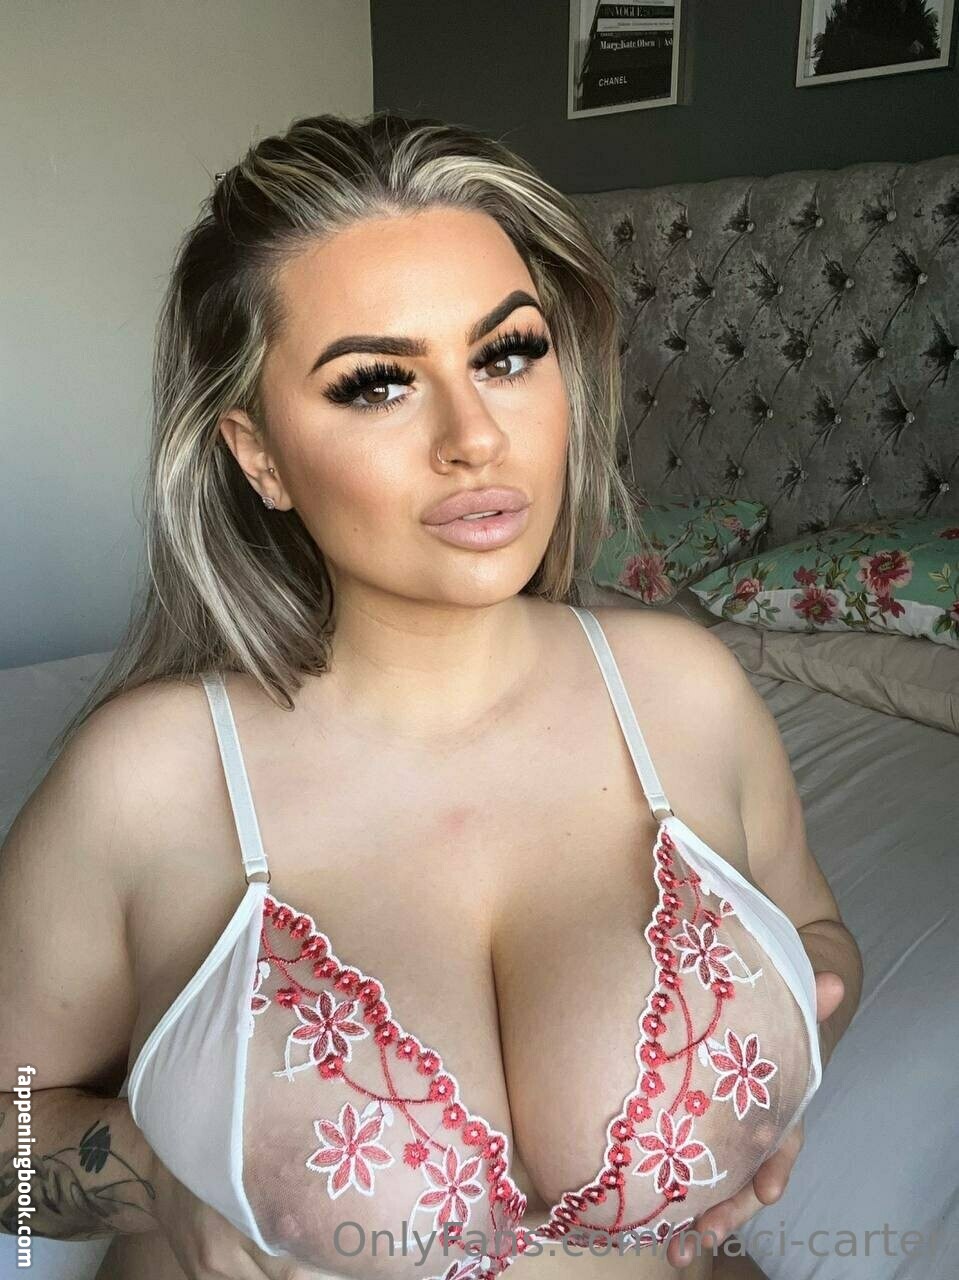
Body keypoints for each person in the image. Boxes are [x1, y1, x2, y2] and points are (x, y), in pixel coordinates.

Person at [0, 110, 860, 1280]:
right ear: (258, 454)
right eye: (375, 383)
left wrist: (779, 1070)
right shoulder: (145, 778)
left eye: (505, 354)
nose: (474, 436)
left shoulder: (685, 691)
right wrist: (150, 1176)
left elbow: (814, 938)